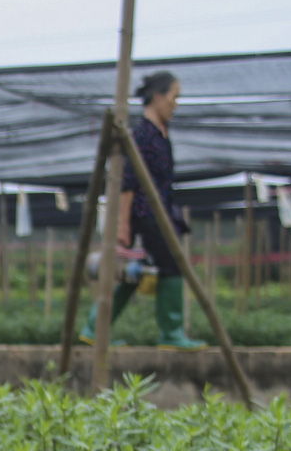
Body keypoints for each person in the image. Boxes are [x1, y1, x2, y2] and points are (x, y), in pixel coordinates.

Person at [79, 70, 205, 349]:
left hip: (159, 213)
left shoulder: (161, 134)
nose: (175, 104)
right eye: (174, 97)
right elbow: (128, 182)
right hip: (145, 214)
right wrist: (123, 223)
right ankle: (171, 334)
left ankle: (94, 327)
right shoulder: (143, 135)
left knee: (134, 273)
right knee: (171, 266)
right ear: (158, 97)